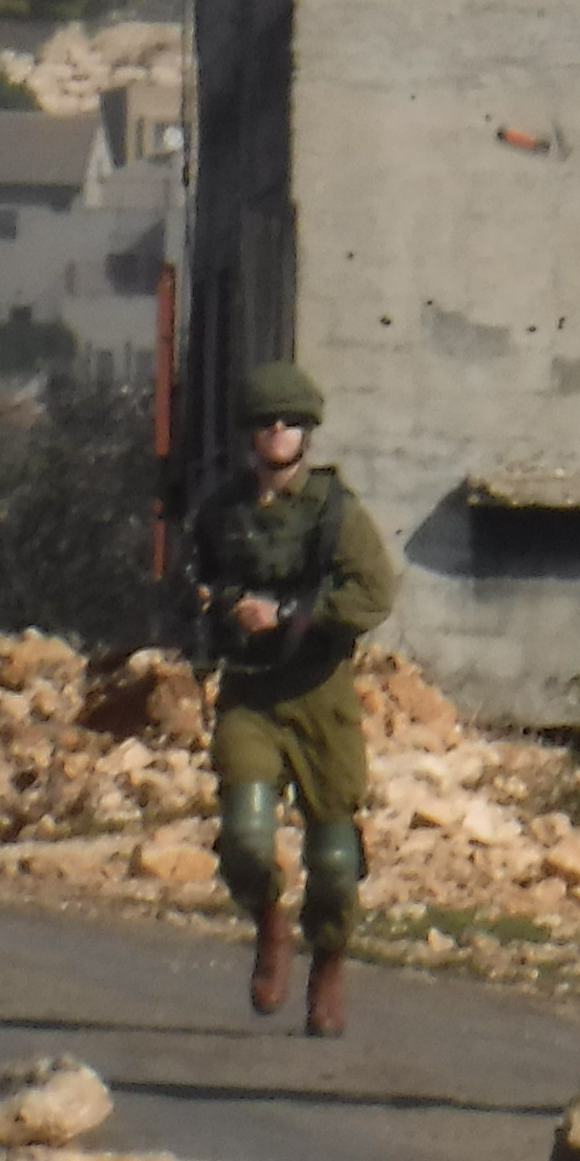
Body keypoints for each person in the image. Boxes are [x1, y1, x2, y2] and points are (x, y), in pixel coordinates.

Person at [185, 360, 399, 1038]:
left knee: (335, 864)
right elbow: (190, 587)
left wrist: (289, 616)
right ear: (250, 433)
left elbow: (374, 593)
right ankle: (271, 925)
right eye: (266, 422)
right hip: (249, 693)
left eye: (291, 422)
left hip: (320, 694)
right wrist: (214, 611)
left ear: (308, 431)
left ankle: (329, 961)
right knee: (246, 840)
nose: (278, 432)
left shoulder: (336, 512)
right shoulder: (220, 513)